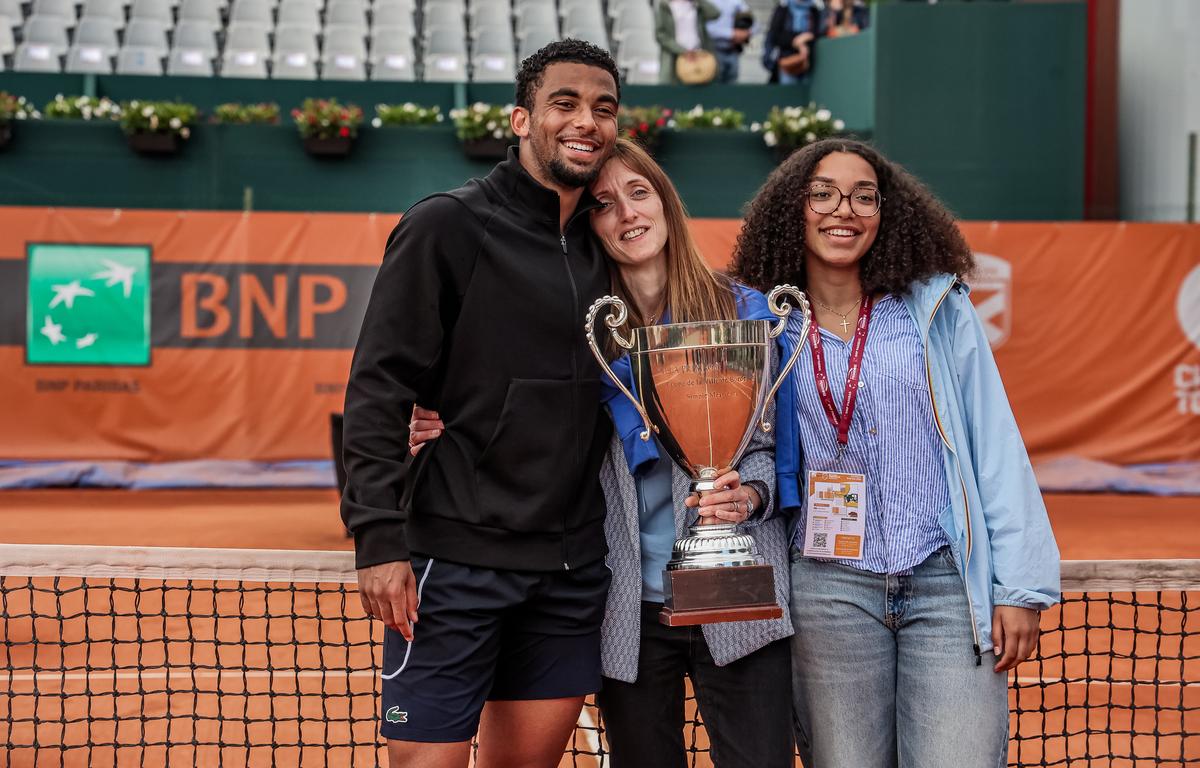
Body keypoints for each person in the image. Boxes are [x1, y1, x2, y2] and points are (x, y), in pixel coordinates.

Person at [409, 138, 796, 768]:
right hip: (627, 611)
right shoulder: (578, 334)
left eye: (639, 193)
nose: (627, 214)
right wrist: (435, 417)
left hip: (736, 594)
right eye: (602, 204)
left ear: (666, 202)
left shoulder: (741, 312)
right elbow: (510, 403)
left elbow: (771, 452)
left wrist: (747, 495)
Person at [732, 138, 1061, 767]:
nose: (843, 210)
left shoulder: (934, 309)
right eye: (822, 194)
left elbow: (995, 444)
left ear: (888, 214)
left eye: (863, 197)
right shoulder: (765, 323)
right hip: (827, 588)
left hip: (944, 582)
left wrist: (1019, 587)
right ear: (793, 210)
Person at [340, 39, 622, 768]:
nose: (586, 120)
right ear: (521, 120)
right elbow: (380, 385)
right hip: (451, 565)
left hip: (570, 569)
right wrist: (378, 537)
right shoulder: (446, 225)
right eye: (565, 103)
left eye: (604, 108)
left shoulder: (610, 252)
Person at [656, 0, 720, 84]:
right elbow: (660, 34)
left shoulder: (696, 4)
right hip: (674, 57)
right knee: (671, 91)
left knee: (701, 92)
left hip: (698, 56)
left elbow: (715, 13)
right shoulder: (665, 5)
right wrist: (682, 51)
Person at [763, 0, 821, 85]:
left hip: (807, 63)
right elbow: (775, 35)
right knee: (787, 94)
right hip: (787, 62)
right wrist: (797, 41)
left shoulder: (815, 9)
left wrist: (808, 37)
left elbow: (818, 33)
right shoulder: (783, 8)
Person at [705, 0, 753, 83]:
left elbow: (752, 22)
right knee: (715, 84)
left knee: (732, 86)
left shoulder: (737, 2)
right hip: (714, 50)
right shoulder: (708, 2)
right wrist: (732, 34)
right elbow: (707, 29)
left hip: (732, 50)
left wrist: (745, 33)